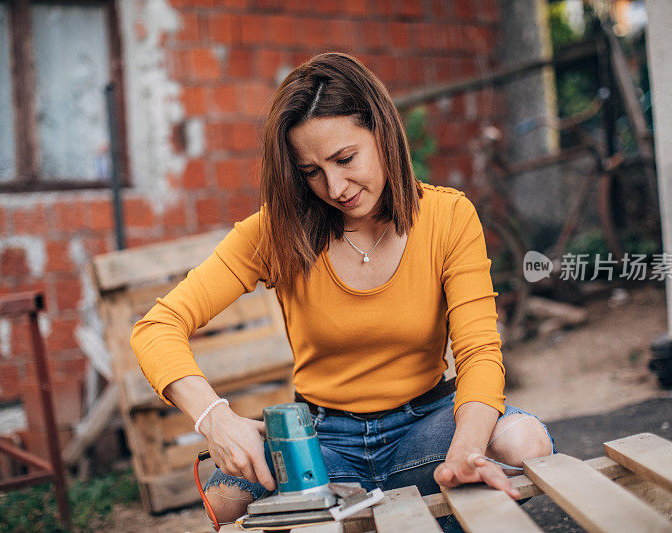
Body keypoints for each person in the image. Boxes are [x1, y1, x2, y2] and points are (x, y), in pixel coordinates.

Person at [130, 52, 554, 526]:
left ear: (382, 131)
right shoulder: (276, 232)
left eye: (345, 158)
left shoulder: (449, 217)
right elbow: (156, 327)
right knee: (227, 498)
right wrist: (216, 418)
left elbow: (479, 352)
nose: (334, 187)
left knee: (524, 442)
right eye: (311, 171)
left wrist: (465, 454)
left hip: (426, 427)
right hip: (321, 442)